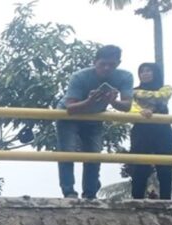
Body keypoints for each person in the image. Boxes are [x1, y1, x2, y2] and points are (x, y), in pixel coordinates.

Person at [56, 45, 134, 199]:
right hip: (69, 116)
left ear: (118, 63)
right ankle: (69, 192)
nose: (106, 68)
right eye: (102, 64)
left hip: (94, 116)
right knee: (67, 153)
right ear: (95, 62)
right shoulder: (79, 77)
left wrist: (113, 101)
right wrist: (89, 101)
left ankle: (90, 193)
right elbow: (70, 107)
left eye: (111, 65)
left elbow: (126, 106)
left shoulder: (125, 77)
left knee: (94, 155)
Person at [129, 62, 172, 200]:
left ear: (155, 73)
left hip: (163, 131)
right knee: (139, 168)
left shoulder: (166, 88)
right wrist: (141, 111)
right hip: (141, 132)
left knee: (165, 168)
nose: (145, 73)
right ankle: (137, 200)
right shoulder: (131, 92)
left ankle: (166, 200)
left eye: (149, 70)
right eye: (142, 71)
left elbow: (161, 96)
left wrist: (136, 94)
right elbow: (130, 107)